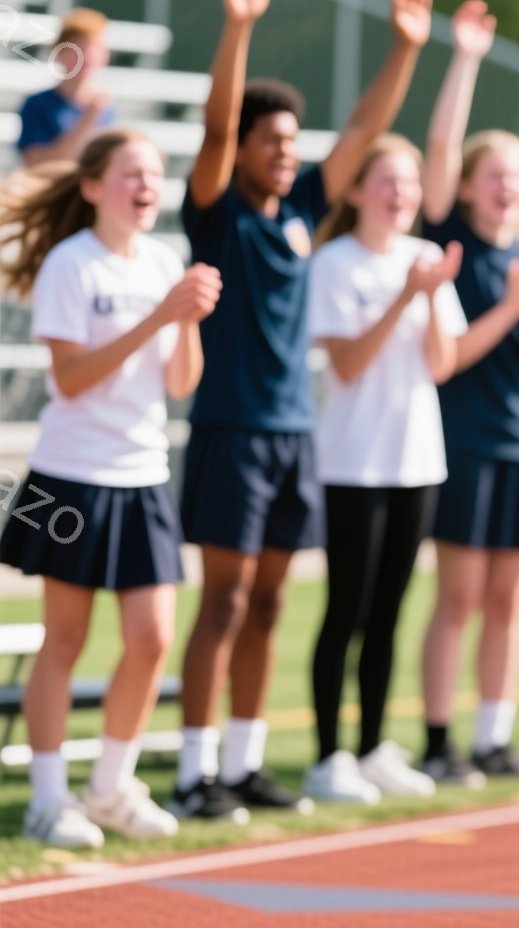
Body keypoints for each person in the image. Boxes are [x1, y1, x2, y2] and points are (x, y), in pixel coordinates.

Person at [170, 0, 431, 822]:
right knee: (224, 602)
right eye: (271, 142)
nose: (287, 154)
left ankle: (244, 764)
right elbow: (213, 133)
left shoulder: (298, 212)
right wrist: (239, 28)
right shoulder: (219, 214)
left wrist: (404, 48)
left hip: (294, 434)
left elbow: (362, 128)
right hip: (230, 432)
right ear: (242, 150)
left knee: (275, 603)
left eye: (292, 143)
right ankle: (192, 771)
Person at [0, 129, 221, 846]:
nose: (146, 185)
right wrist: (159, 315)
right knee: (64, 640)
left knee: (153, 638)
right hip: (72, 477)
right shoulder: (72, 263)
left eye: (154, 173)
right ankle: (47, 797)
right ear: (94, 186)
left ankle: (109, 787)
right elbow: (69, 378)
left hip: (144, 474)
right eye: (131, 172)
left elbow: (181, 382)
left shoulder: (165, 260)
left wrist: (184, 322)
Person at [418, 0, 519, 785]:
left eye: (518, 179)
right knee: (458, 599)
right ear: (470, 186)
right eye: (495, 177)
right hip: (465, 442)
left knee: (510, 603)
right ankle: (438, 739)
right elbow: (443, 144)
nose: (508, 189)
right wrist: (465, 56)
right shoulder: (452, 239)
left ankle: (493, 736)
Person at [301, 134, 466, 805]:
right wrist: (403, 296)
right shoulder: (334, 263)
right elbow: (346, 363)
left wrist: (426, 297)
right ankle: (326, 755)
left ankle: (372, 746)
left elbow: (440, 363)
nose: (400, 196)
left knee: (392, 611)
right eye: (387, 183)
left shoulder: (424, 257)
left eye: (409, 183)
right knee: (346, 608)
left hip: (416, 459)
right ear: (355, 192)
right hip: (351, 461)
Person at [16, 9, 114, 168]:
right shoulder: (37, 104)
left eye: (95, 49)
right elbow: (36, 166)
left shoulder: (106, 107)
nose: (88, 58)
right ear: (59, 52)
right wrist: (86, 121)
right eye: (79, 49)